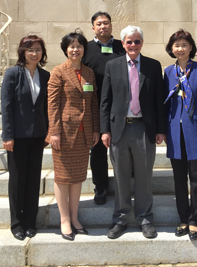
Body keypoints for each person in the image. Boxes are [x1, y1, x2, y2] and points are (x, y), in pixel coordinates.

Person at [100, 25, 166, 239]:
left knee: (144, 176)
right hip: (119, 130)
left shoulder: (153, 66)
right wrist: (104, 130)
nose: (133, 45)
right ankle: (120, 219)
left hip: (144, 129)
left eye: (137, 41)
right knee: (120, 176)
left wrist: (161, 130)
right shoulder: (112, 65)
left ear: (142, 43)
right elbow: (105, 101)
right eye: (129, 41)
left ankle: (145, 217)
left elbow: (159, 101)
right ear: (123, 44)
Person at [46, 29, 100, 241]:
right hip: (64, 134)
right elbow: (52, 105)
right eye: (71, 46)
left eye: (79, 46)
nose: (75, 49)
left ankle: (75, 218)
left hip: (84, 133)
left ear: (84, 50)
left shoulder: (89, 73)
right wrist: (54, 133)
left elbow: (93, 103)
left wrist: (95, 128)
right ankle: (64, 219)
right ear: (65, 50)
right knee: (62, 177)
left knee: (77, 177)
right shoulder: (58, 72)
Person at [164, 29, 197, 240]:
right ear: (171, 49)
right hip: (175, 131)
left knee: (196, 178)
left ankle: (195, 220)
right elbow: (166, 104)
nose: (180, 49)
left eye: (184, 45)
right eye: (177, 45)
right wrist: (163, 130)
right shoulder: (168, 71)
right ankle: (183, 218)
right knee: (178, 179)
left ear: (191, 47)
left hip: (196, 130)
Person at [1, 35, 50, 240]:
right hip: (17, 137)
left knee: (33, 180)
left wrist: (48, 130)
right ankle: (16, 223)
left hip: (38, 135)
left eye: (38, 49)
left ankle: (30, 221)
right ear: (22, 51)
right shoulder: (12, 73)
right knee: (17, 180)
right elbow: (6, 106)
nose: (34, 53)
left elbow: (47, 107)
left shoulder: (45, 75)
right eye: (30, 49)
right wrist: (8, 135)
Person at [82, 11, 125, 205]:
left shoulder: (122, 46)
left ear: (111, 26)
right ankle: (100, 186)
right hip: (95, 106)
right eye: (98, 24)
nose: (102, 27)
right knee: (98, 149)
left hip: (120, 108)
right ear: (93, 28)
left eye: (106, 23)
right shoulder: (86, 48)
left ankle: (125, 183)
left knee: (123, 147)